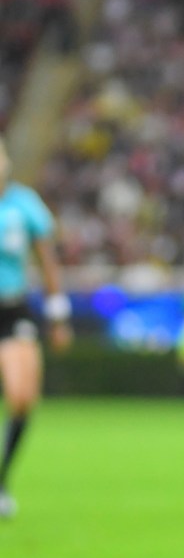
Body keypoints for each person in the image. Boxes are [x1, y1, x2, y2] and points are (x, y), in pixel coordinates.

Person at [0, 136, 73, 519]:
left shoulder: (23, 205)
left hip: (12, 310)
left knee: (21, 397)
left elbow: (47, 262)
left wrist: (58, 316)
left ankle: (1, 480)